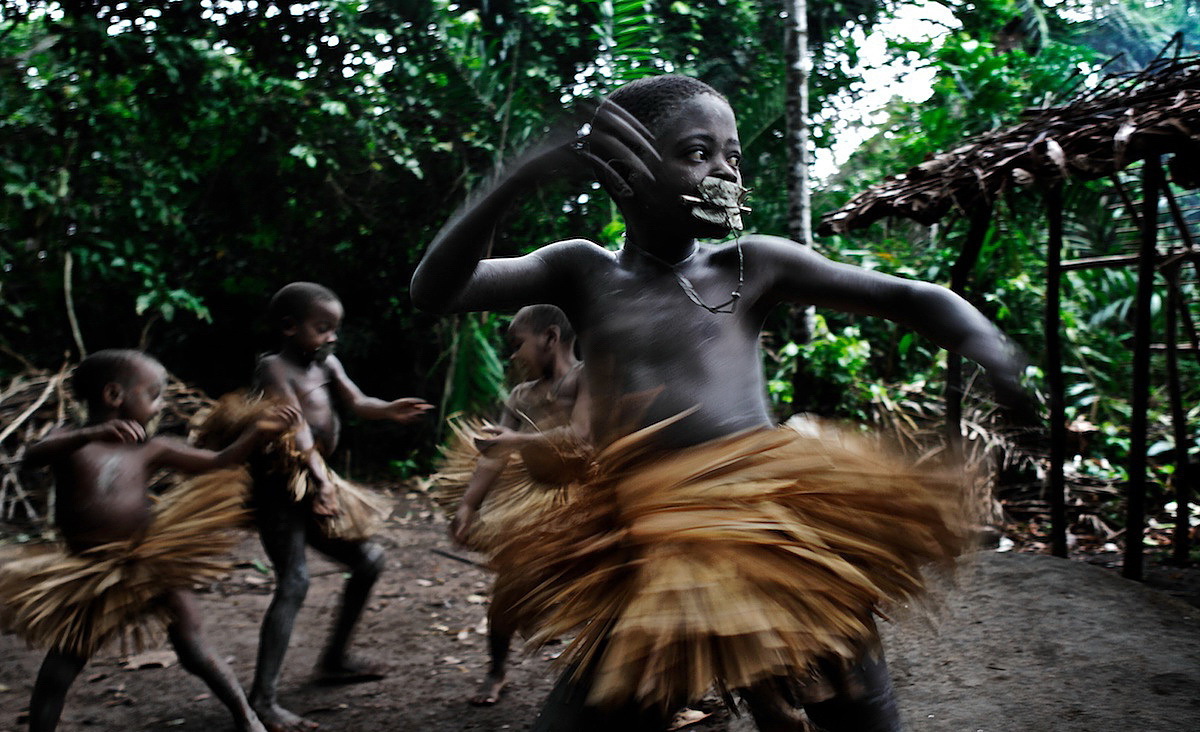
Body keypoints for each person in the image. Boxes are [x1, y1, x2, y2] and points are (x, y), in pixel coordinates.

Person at [411, 75, 1030, 731]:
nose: (724, 171)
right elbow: (436, 290)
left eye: (732, 155)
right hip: (651, 539)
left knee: (858, 705)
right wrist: (520, 178)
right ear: (627, 166)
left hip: (769, 522)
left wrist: (987, 344)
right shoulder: (584, 271)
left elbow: (907, 297)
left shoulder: (751, 263)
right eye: (698, 153)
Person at [2, 349, 298, 732]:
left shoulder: (150, 447)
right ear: (113, 396)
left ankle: (247, 718)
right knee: (65, 662)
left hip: (150, 560)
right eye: (154, 394)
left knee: (194, 645)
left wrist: (256, 433)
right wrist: (89, 433)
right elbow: (31, 457)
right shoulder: (68, 441)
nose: (160, 405)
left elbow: (217, 461)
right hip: (91, 572)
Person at [243, 281, 432, 732]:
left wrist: (388, 410)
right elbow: (297, 431)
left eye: (335, 329)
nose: (331, 338)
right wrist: (321, 481)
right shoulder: (274, 368)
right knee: (294, 581)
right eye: (322, 328)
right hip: (283, 490)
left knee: (368, 560)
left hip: (317, 486)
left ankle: (334, 659)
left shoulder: (326, 363)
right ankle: (263, 700)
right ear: (289, 327)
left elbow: (357, 400)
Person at [435, 304, 590, 706]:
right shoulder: (521, 395)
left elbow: (581, 437)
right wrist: (469, 504)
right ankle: (496, 671)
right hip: (533, 497)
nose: (513, 356)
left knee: (592, 589)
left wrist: (515, 440)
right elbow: (494, 455)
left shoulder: (585, 379)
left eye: (517, 344)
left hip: (585, 499)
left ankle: (597, 672)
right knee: (506, 593)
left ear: (551, 338)